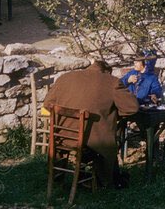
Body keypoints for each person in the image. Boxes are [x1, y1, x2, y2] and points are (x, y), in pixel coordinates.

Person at [43, 59, 139, 189]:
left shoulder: (65, 77)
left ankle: (56, 176)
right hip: (92, 141)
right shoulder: (111, 82)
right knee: (107, 140)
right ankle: (105, 181)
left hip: (62, 137)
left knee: (98, 135)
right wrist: (111, 114)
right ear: (107, 72)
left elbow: (47, 104)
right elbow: (132, 108)